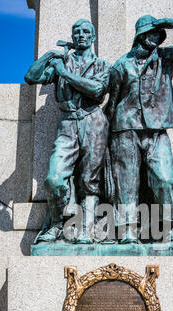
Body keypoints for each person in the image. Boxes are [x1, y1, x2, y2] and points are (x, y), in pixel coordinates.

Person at [105, 16, 173, 244]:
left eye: (158, 34)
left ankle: (169, 228)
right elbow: (112, 102)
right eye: (151, 33)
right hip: (125, 129)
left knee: (166, 180)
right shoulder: (122, 64)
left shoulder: (167, 58)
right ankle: (127, 231)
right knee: (126, 183)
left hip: (157, 130)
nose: (155, 37)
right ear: (141, 35)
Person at [25, 19, 111, 243]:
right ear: (73, 38)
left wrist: (64, 73)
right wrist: (49, 56)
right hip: (67, 121)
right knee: (54, 178)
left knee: (89, 179)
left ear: (92, 37)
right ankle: (55, 225)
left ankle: (87, 230)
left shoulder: (101, 65)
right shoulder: (62, 61)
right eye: (77, 32)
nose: (81, 35)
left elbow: (96, 90)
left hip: (93, 120)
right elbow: (31, 77)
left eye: (85, 32)